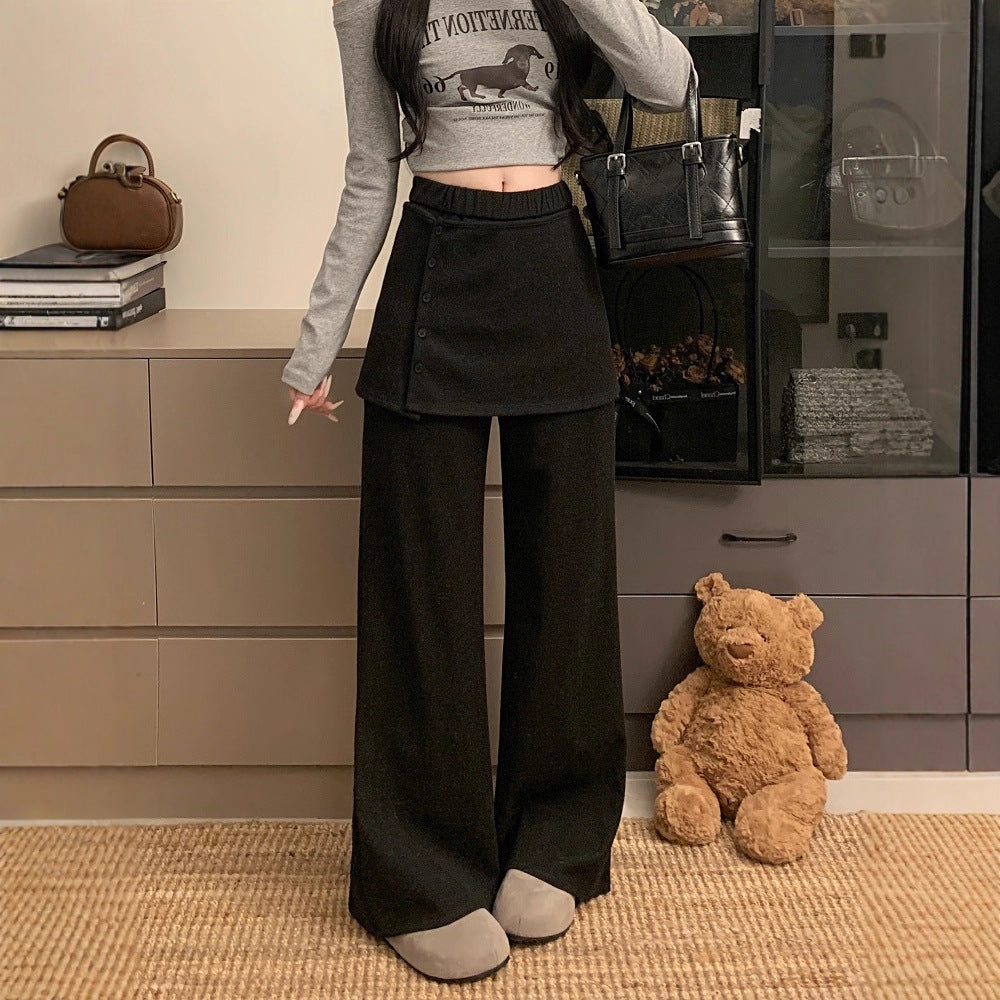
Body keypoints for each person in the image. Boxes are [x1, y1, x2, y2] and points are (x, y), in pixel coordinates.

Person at [281, 0, 696, 984]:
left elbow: (670, 84)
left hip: (553, 262)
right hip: (437, 268)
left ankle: (555, 840)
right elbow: (370, 167)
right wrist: (316, 342)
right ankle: (418, 876)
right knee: (419, 592)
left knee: (567, 579)